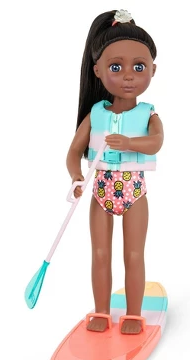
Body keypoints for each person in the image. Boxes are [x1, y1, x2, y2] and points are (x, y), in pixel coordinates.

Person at [66, 9, 164, 335]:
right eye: (116, 67)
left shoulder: (148, 114)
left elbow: (156, 142)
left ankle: (134, 314)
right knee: (100, 254)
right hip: (100, 193)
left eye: (139, 67)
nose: (128, 76)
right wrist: (77, 177)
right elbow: (73, 153)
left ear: (153, 69)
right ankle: (102, 312)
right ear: (98, 70)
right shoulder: (95, 114)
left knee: (134, 255)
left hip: (134, 193)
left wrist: (130, 143)